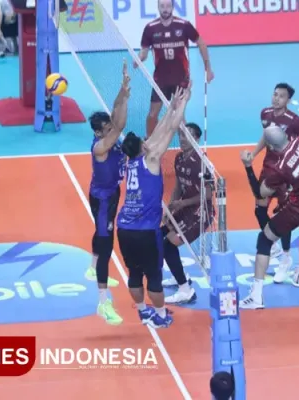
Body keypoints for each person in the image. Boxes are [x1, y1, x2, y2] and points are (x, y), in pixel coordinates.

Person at [116, 82, 192, 329]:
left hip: (125, 228)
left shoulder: (131, 161)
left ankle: (142, 311)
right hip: (146, 231)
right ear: (142, 147)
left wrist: (170, 107)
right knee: (154, 276)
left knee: (135, 273)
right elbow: (170, 130)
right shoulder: (152, 158)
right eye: (143, 140)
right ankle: (160, 315)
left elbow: (159, 131)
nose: (146, 140)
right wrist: (183, 104)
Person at [239, 125, 299, 309]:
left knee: (264, 240)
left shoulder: (280, 169)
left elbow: (261, 193)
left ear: (270, 147)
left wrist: (248, 166)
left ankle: (256, 296)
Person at [249, 83, 299, 280]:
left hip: (286, 172)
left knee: (282, 214)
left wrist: (297, 159)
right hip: (269, 168)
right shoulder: (265, 114)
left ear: (288, 100)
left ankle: (286, 257)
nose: (276, 98)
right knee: (259, 209)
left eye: (281, 96)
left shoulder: (294, 121)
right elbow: (266, 136)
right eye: (275, 94)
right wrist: (254, 154)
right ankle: (275, 247)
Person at [85, 60, 130, 325]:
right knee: (106, 244)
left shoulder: (109, 134)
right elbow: (120, 126)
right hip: (102, 200)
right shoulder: (100, 147)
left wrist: (124, 91)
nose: (111, 129)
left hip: (111, 194)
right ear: (98, 132)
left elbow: (117, 116)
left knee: (102, 234)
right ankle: (103, 303)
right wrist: (124, 99)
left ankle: (92, 269)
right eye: (107, 128)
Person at [135, 0, 214, 138]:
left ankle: (186, 145)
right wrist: (138, 59)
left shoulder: (184, 25)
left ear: (172, 7)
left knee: (179, 117)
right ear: (158, 7)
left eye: (168, 6)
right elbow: (144, 52)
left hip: (180, 79)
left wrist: (208, 68)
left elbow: (201, 43)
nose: (165, 9)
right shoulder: (150, 28)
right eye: (162, 6)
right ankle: (148, 142)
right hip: (160, 80)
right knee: (152, 115)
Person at [161, 122, 214, 304]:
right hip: (184, 208)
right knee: (158, 234)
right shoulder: (179, 158)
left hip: (201, 212)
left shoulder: (202, 163)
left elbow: (208, 194)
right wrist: (170, 208)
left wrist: (182, 203)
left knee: (168, 245)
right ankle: (179, 275)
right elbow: (178, 186)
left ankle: (185, 290)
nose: (182, 139)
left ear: (196, 139)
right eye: (181, 135)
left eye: (187, 136)